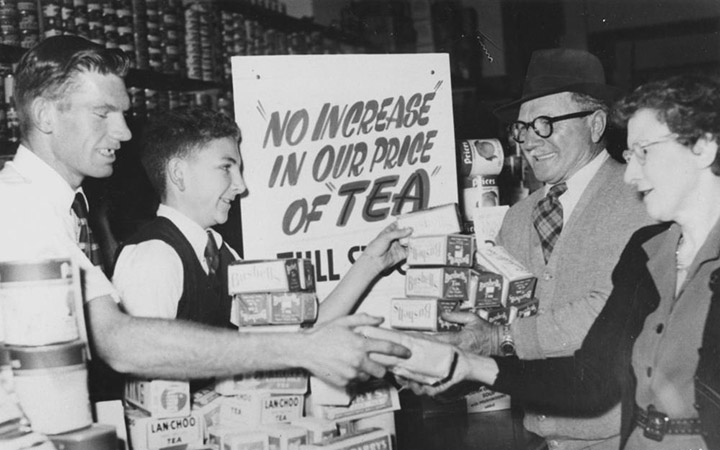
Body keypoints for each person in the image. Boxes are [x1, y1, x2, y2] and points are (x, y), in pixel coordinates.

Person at [0, 35, 411, 392]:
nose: (124, 131)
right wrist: (303, 350)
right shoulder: (18, 207)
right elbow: (122, 343)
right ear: (44, 114)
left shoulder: (56, 208)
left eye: (123, 113)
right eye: (102, 113)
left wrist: (371, 262)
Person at [403, 73, 720, 450]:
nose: (632, 174)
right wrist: (460, 364)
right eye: (522, 128)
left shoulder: (642, 214)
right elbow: (590, 377)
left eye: (645, 152)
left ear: (703, 148)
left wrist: (492, 343)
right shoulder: (649, 249)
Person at [437, 48, 653, 450]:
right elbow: (497, 317)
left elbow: (605, 312)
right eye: (521, 129)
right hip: (541, 440)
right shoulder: (516, 219)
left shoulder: (640, 198)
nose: (529, 141)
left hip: (624, 440)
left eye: (545, 123)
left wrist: (498, 337)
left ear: (596, 124)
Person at [113, 106, 410, 327]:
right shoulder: (153, 257)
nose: (241, 186)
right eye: (226, 167)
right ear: (179, 173)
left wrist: (373, 262)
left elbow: (296, 334)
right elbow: (148, 379)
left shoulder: (220, 252)